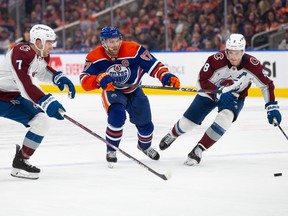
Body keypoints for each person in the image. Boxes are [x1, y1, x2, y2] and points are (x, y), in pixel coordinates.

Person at [159, 33, 282, 166]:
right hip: (210, 93)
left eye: (237, 53)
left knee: (225, 118)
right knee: (187, 124)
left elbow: (266, 85)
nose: (233, 57)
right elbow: (201, 82)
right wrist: (218, 93)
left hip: (234, 97)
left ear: (243, 52)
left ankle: (199, 149)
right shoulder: (215, 60)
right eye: (230, 53)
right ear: (226, 51)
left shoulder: (253, 65)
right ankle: (173, 134)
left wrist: (271, 106)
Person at [80, 26, 180, 167]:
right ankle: (111, 150)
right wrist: (98, 79)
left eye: (116, 40)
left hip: (134, 89)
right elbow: (84, 81)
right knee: (117, 116)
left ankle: (144, 147)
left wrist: (166, 76)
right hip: (112, 90)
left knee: (146, 125)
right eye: (111, 42)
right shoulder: (94, 57)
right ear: (104, 43)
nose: (115, 45)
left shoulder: (134, 50)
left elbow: (154, 66)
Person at [0, 24, 76, 179]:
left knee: (41, 122)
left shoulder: (42, 55)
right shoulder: (21, 52)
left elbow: (41, 72)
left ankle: (21, 161)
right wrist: (47, 101)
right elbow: (25, 85)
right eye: (49, 42)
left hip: (10, 97)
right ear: (39, 41)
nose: (52, 46)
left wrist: (58, 78)